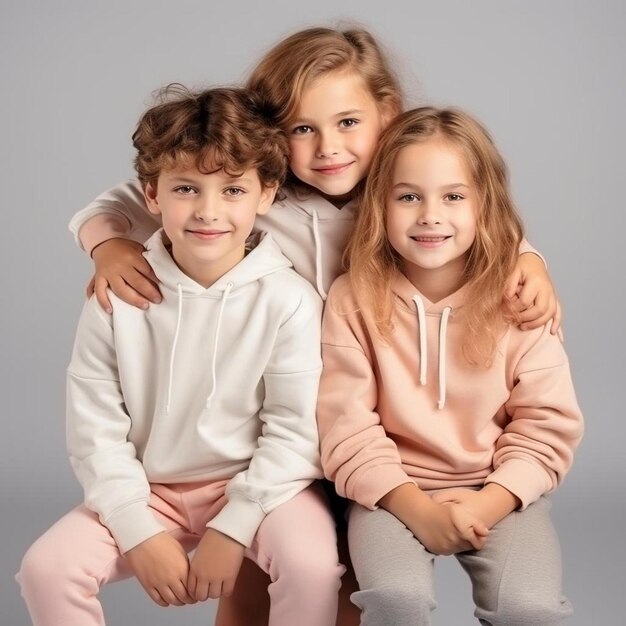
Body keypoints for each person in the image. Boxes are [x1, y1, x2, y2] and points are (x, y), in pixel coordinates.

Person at [65, 27, 562, 626]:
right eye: (303, 129)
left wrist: (527, 257)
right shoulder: (263, 196)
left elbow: (470, 209)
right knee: (250, 593)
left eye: (349, 123)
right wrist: (108, 247)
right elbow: (120, 202)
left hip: (375, 429)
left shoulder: (398, 192)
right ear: (275, 139)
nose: (329, 147)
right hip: (276, 433)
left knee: (344, 591)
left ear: (388, 114)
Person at [17, 85, 343, 626]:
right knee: (46, 570)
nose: (208, 211)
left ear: (266, 195)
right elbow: (94, 426)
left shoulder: (289, 301)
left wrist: (234, 523)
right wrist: (136, 527)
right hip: (148, 490)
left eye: (233, 190)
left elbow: (294, 430)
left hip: (261, 487)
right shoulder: (118, 295)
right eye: (186, 188)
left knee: (311, 566)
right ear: (151, 195)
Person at [317, 106, 584, 625]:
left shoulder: (521, 298)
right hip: (391, 493)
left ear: (486, 205)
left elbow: (546, 425)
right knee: (397, 600)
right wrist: (415, 506)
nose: (429, 215)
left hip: (500, 488)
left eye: (454, 197)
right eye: (408, 196)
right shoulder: (352, 299)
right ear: (380, 204)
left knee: (527, 608)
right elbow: (345, 425)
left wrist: (488, 504)